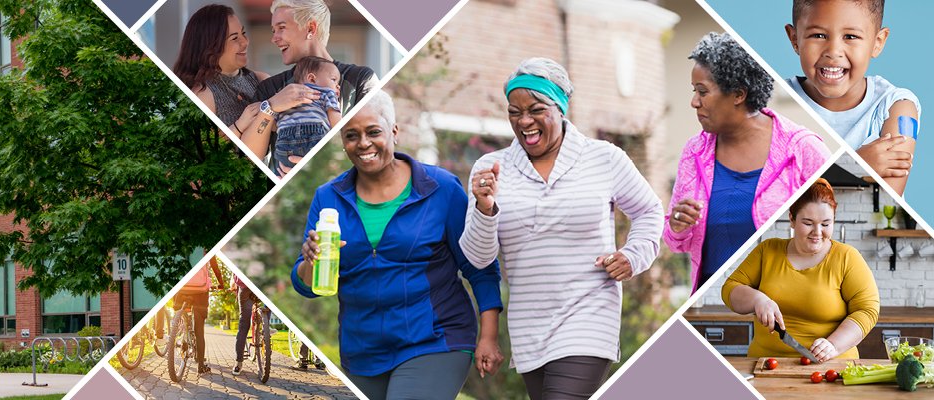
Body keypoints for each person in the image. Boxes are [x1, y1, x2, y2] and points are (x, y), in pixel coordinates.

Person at [459, 57, 664, 400]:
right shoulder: (491, 169)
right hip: (530, 324)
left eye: (536, 109)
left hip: (590, 314)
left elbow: (649, 211)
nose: (524, 121)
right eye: (514, 111)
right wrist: (485, 208)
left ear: (560, 107)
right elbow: (479, 259)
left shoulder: (603, 158)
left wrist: (633, 255)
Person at [292, 90, 503, 400]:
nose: (363, 143)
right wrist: (310, 262)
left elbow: (479, 266)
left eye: (373, 131)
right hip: (362, 351)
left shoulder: (439, 188)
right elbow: (307, 286)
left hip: (435, 340)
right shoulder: (329, 198)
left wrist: (489, 335)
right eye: (351, 135)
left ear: (393, 131)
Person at [666, 32, 831, 294]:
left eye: (703, 92)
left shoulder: (802, 150)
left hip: (781, 296)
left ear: (738, 94)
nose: (694, 101)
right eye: (694, 91)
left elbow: (827, 225)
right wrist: (677, 225)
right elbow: (677, 242)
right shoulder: (694, 152)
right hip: (712, 298)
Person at [722, 178, 879, 362]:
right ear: (792, 219)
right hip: (765, 364)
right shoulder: (767, 251)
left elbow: (867, 310)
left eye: (826, 224)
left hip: (831, 366)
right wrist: (757, 299)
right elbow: (730, 288)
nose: (817, 232)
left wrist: (833, 345)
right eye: (808, 223)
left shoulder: (847, 257)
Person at [784, 0, 919, 194]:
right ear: (795, 39)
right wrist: (857, 164)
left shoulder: (897, 107)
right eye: (819, 35)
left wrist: (816, 177)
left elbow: (886, 199)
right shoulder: (775, 102)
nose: (833, 52)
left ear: (877, 42)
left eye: (850, 36)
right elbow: (775, 198)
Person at [172, 4, 321, 161]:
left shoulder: (261, 79)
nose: (245, 42)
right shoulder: (203, 93)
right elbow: (202, 158)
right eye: (235, 38)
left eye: (243, 33)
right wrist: (239, 126)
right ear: (210, 46)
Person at [254, 0, 377, 171]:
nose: (274, 38)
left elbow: (372, 142)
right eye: (273, 30)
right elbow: (252, 157)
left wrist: (321, 164)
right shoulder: (269, 88)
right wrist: (271, 107)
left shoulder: (361, 79)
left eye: (281, 28)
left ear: (311, 28)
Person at [272, 56, 341, 176]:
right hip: (314, 135)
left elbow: (274, 125)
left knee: (285, 172)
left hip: (284, 141)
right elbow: (337, 123)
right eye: (334, 79)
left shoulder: (284, 96)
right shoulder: (326, 93)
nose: (338, 86)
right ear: (312, 79)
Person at [172, 260, 216, 374]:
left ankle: (181, 329)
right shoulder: (206, 249)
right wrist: (221, 283)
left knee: (180, 313)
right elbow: (216, 268)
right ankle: (201, 366)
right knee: (199, 331)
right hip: (200, 291)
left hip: (182, 290)